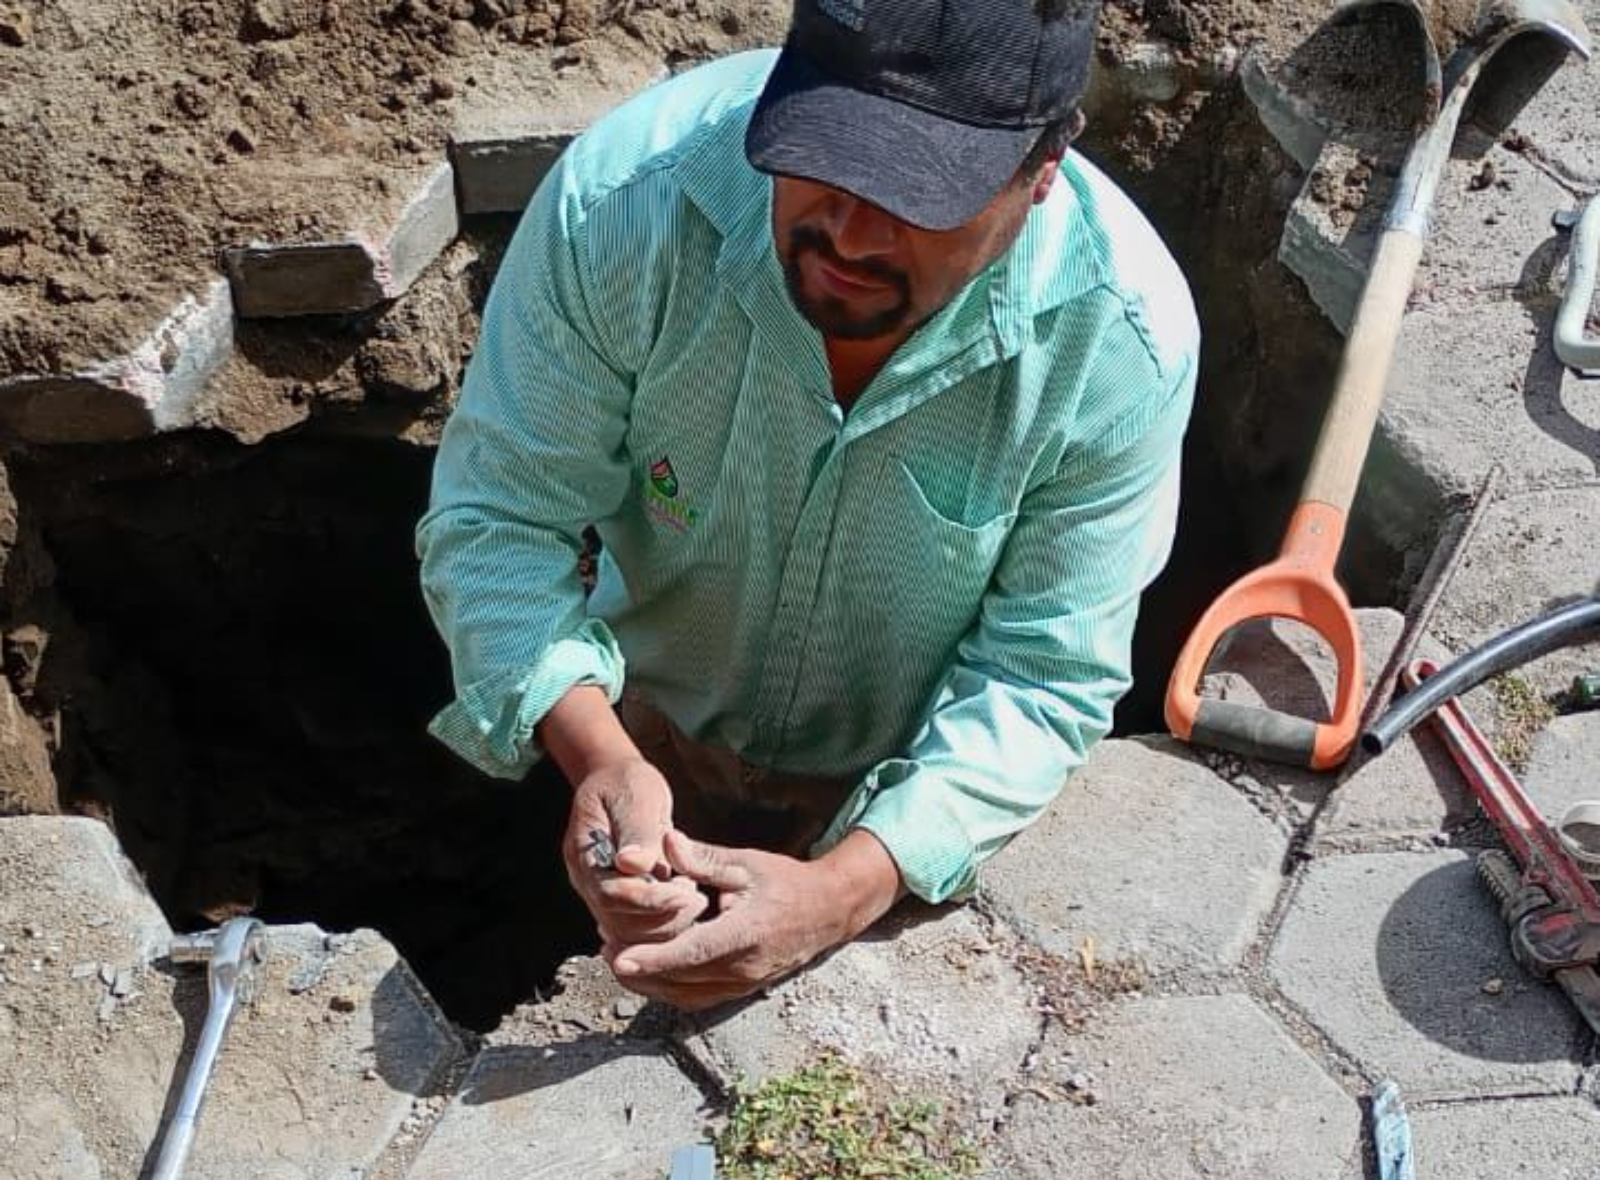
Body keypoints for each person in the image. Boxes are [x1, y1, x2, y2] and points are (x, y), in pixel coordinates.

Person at [416, 0, 1199, 1011]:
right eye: (824, 158)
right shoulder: (628, 208)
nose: (850, 232)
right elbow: (497, 518)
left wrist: (841, 891)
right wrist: (599, 756)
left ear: (1040, 171)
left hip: (900, 770)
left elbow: (1041, 671)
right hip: (651, 711)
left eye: (920, 195)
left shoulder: (1116, 342)